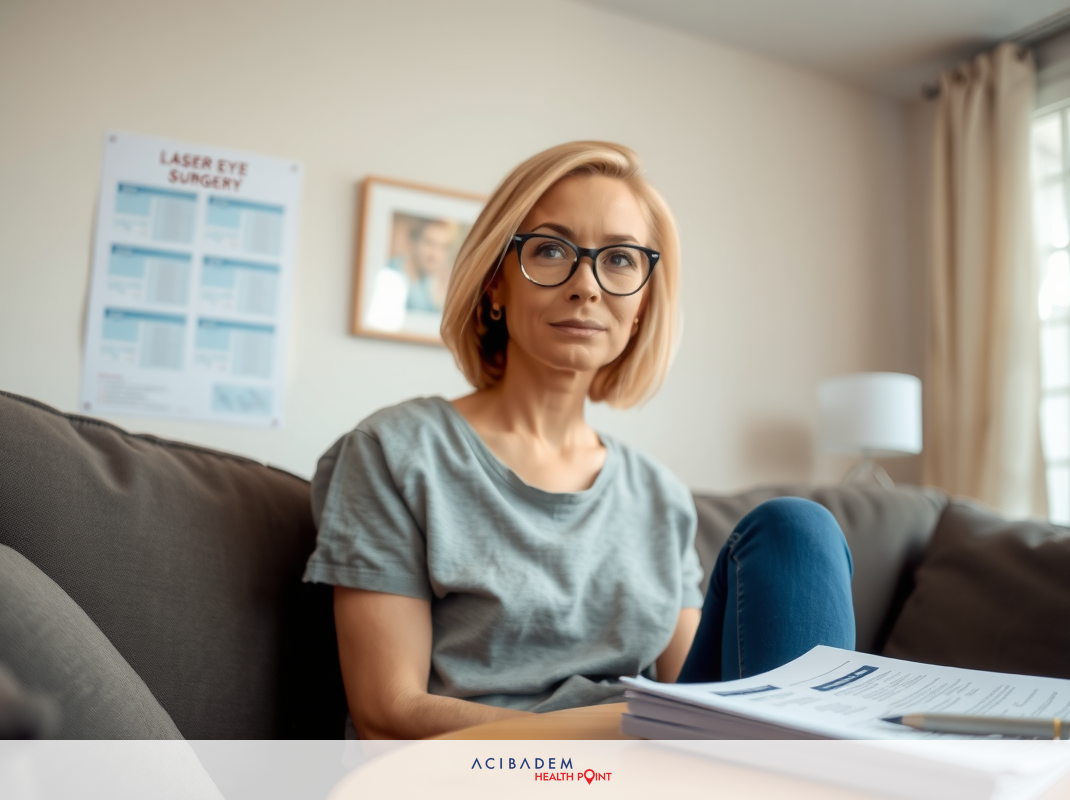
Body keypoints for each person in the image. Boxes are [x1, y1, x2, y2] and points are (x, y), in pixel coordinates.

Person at [304, 141, 856, 739]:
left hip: (650, 765)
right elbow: (388, 710)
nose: (587, 285)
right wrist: (630, 730)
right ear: (495, 284)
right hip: (495, 770)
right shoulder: (395, 452)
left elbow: (710, 689)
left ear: (643, 302)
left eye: (620, 260)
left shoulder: (658, 495)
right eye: (549, 250)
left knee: (798, 531)